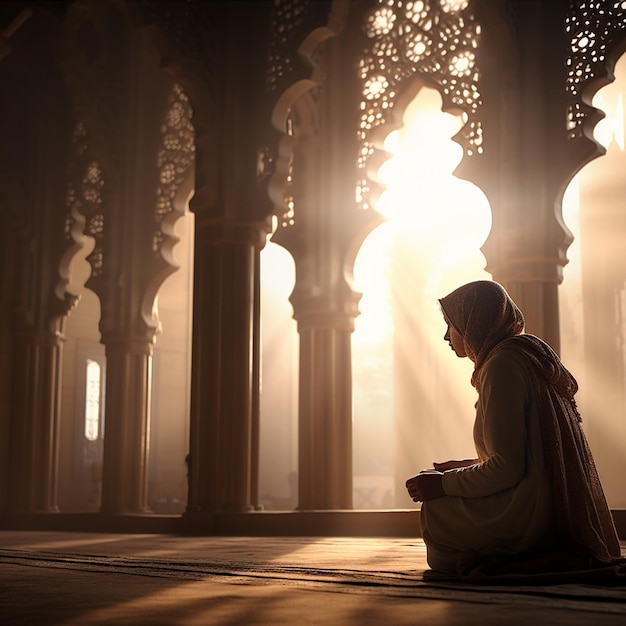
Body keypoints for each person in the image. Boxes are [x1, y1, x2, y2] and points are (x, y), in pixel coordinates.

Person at [406, 280, 623, 579]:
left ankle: (525, 551)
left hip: (531, 513)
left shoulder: (501, 365)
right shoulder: (524, 354)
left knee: (435, 513)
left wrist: (442, 485)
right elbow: (529, 455)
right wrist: (459, 470)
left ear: (473, 323)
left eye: (451, 325)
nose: (446, 335)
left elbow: (507, 469)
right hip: (549, 503)